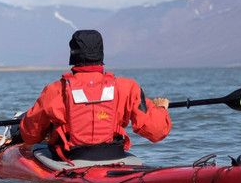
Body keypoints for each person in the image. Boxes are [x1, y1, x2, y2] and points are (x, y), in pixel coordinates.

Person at [18, 29, 171, 161]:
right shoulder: (128, 87)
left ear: (72, 55)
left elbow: (31, 136)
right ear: (101, 54)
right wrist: (161, 109)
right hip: (113, 154)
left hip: (70, 158)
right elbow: (157, 131)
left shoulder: (55, 90)